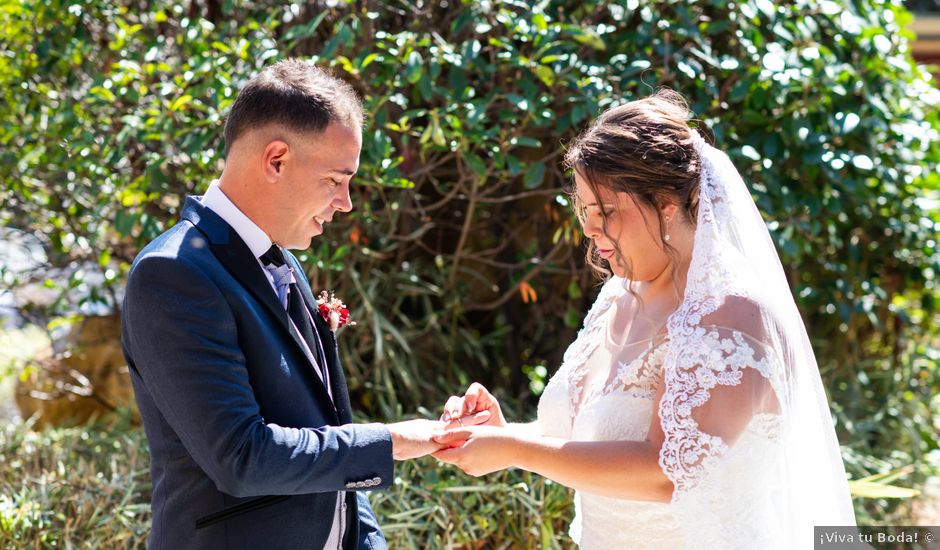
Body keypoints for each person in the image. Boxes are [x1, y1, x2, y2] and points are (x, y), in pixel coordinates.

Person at [433, 90, 857, 548]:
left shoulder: (734, 317)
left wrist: (513, 451)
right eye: (584, 211)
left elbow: (667, 474)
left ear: (665, 203)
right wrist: (502, 434)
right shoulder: (618, 298)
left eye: (606, 211)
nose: (590, 230)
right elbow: (583, 442)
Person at [121, 59, 442, 550]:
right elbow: (242, 458)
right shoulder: (173, 274)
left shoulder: (284, 261)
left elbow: (331, 437)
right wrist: (393, 441)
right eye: (336, 179)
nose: (346, 202)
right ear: (276, 160)